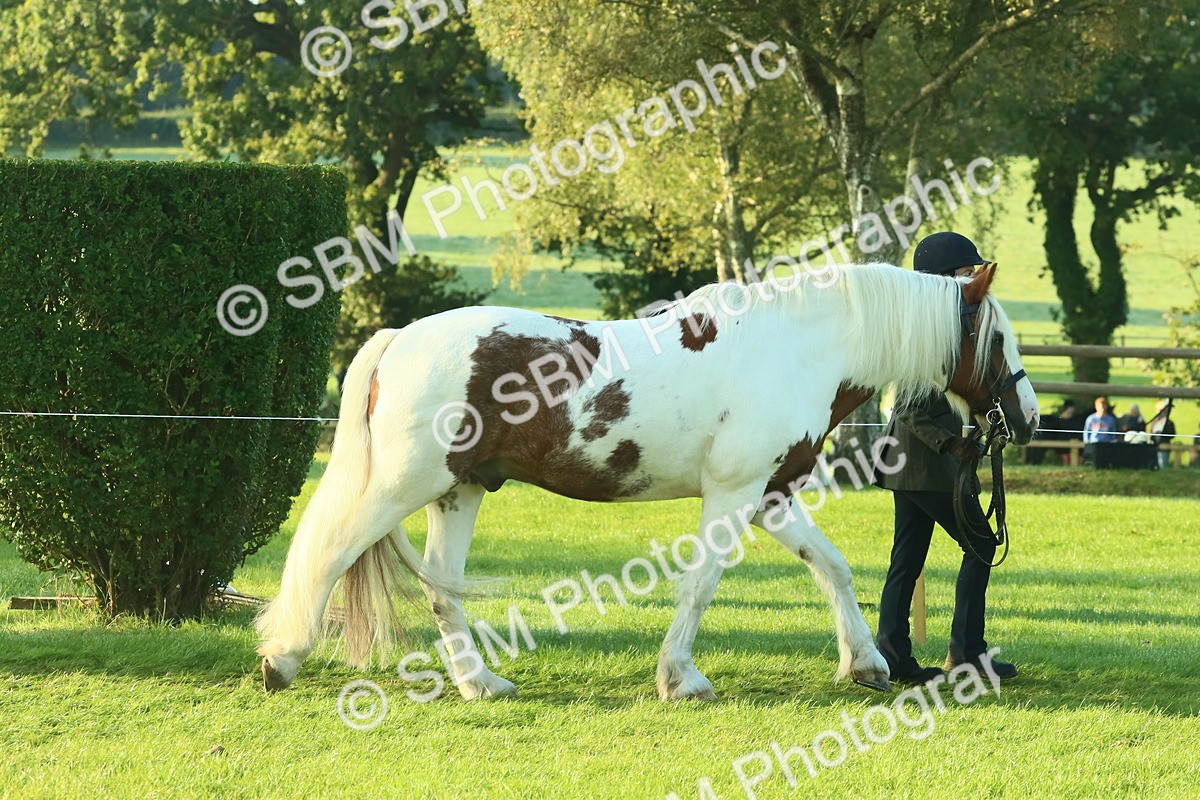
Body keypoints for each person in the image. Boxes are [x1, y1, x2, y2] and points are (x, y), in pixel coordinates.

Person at [872, 231, 1019, 685]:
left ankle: (894, 657)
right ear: (942, 278)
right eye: (965, 271)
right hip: (928, 466)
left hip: (906, 463)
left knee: (907, 559)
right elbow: (911, 407)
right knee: (982, 545)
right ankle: (968, 653)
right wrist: (954, 445)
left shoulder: (930, 324)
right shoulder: (932, 329)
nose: (973, 276)